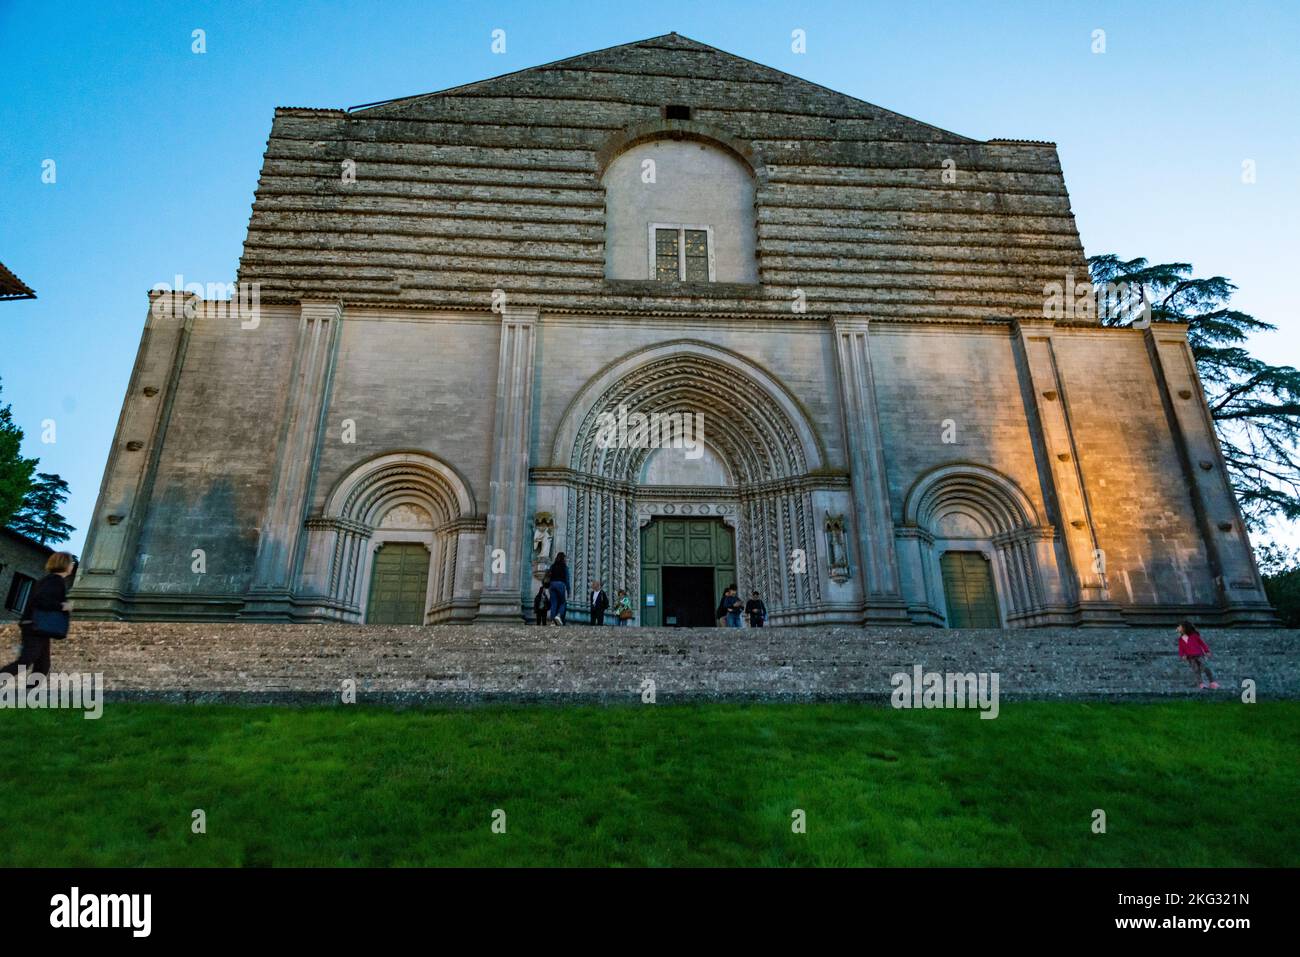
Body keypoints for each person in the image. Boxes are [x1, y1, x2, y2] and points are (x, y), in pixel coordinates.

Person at [2, 551, 77, 681]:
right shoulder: (55, 581)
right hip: (35, 626)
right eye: (71, 562)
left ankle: (27, 695)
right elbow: (41, 600)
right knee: (25, 662)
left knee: (42, 666)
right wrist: (63, 606)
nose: (73, 565)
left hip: (36, 626)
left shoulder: (49, 580)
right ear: (64, 564)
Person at [1177, 620, 1219, 690]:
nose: (1178, 628)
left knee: (1205, 667)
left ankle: (1212, 682)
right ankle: (1201, 684)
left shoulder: (1194, 636)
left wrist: (1207, 651)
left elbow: (1202, 643)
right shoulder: (1181, 639)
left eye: (1179, 626)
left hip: (1199, 655)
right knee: (1196, 670)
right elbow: (1181, 649)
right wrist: (1182, 655)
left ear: (1184, 628)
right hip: (1190, 658)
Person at [547, 552, 569, 625]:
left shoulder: (552, 566)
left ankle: (552, 621)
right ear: (563, 559)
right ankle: (558, 615)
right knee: (563, 602)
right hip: (560, 585)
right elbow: (567, 579)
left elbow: (548, 576)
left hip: (552, 585)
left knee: (554, 603)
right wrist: (568, 590)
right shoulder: (564, 567)